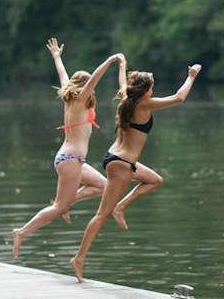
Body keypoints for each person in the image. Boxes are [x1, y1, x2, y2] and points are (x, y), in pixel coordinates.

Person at [69, 63, 202, 282]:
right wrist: (191, 76)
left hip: (118, 160)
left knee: (154, 181)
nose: (153, 90)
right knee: (102, 214)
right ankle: (79, 258)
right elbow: (179, 97)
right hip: (121, 164)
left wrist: (122, 65)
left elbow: (123, 82)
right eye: (151, 87)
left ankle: (121, 207)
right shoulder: (144, 104)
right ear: (145, 90)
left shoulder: (126, 98)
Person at [11, 39, 125, 258]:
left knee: (105, 186)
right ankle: (22, 232)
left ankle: (68, 201)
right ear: (83, 87)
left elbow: (63, 74)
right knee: (58, 208)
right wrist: (111, 60)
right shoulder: (80, 99)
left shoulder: (70, 97)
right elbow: (94, 79)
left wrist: (57, 56)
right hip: (70, 159)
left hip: (73, 160)